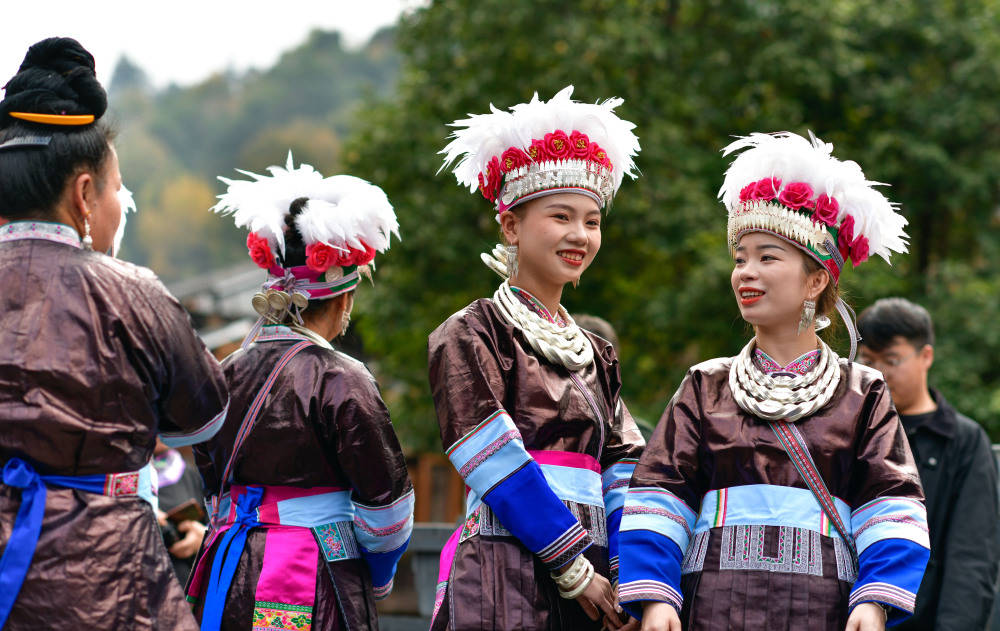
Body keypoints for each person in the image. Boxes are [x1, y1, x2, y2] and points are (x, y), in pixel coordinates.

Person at [618, 131, 929, 631]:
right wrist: (657, 596)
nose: (745, 272)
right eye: (740, 257)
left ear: (815, 280)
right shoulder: (705, 386)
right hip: (711, 609)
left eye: (767, 257)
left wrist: (873, 599)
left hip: (824, 611)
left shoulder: (862, 392)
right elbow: (660, 495)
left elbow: (891, 504)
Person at [0, 38, 229, 630]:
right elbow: (203, 418)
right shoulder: (137, 295)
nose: (118, 206)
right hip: (108, 583)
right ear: (83, 194)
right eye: (114, 187)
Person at [429, 86, 645, 630]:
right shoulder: (472, 333)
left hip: (598, 577)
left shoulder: (597, 352)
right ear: (510, 226)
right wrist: (573, 567)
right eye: (561, 217)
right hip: (505, 569)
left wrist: (622, 568)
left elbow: (625, 468)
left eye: (592, 221)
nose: (580, 235)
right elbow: (491, 456)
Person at [186, 155, 414, 631]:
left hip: (227, 566)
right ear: (344, 298)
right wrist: (375, 576)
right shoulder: (342, 377)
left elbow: (211, 485)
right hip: (313, 569)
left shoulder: (222, 371)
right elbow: (387, 510)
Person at [857, 297, 999, 630]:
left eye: (892, 360)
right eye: (868, 360)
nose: (879, 373)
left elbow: (972, 557)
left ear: (926, 356)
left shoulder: (963, 441)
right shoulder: (850, 433)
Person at [152, 438, 209, 583]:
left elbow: (211, 523)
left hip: (185, 580)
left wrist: (203, 538)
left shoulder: (189, 473)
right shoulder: (114, 479)